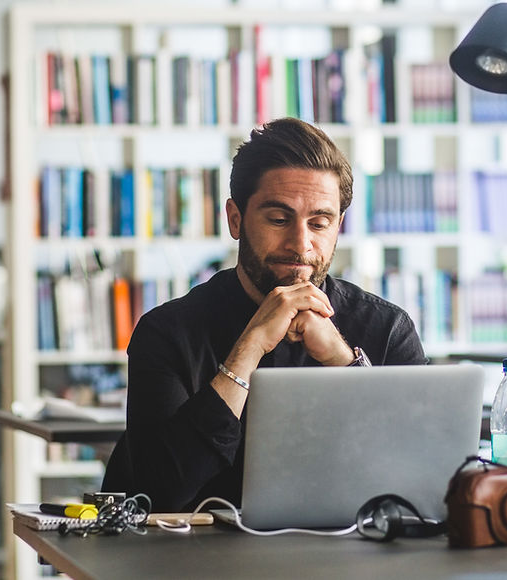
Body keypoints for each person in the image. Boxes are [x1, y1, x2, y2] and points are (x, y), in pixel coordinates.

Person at [115, 118, 428, 512]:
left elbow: (419, 480)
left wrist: (343, 363)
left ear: (338, 228)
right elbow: (157, 494)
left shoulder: (386, 330)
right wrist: (248, 350)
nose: (301, 244)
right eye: (279, 219)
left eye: (319, 223)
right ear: (235, 219)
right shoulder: (166, 334)